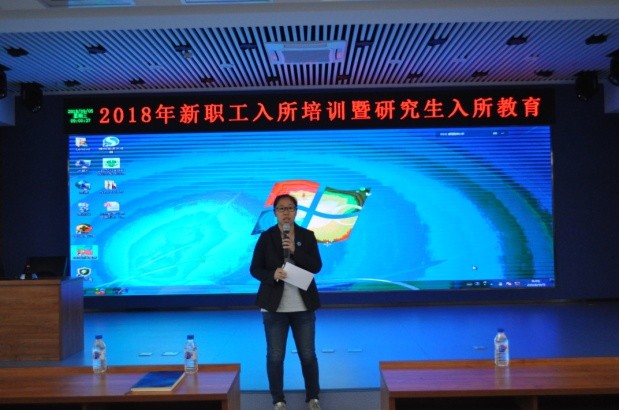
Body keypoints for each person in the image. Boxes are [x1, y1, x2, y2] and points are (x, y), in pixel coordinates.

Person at [250, 194, 323, 410]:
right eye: (281, 209)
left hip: (303, 305)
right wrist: (272, 274)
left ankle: (313, 397)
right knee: (275, 356)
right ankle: (278, 400)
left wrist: (295, 250)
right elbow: (255, 269)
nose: (286, 213)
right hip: (274, 306)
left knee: (308, 355)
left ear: (296, 212)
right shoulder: (266, 238)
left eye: (290, 208)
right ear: (275, 213)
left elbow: (316, 266)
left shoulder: (307, 236)